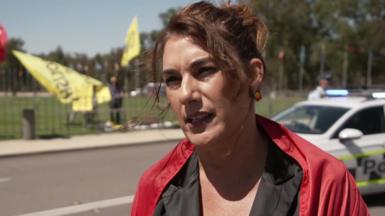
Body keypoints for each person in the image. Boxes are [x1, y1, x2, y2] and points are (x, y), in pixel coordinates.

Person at [131, 2, 368, 216]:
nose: (185, 93)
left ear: (254, 74)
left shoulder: (324, 183)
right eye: (172, 79)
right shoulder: (154, 187)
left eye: (204, 70)